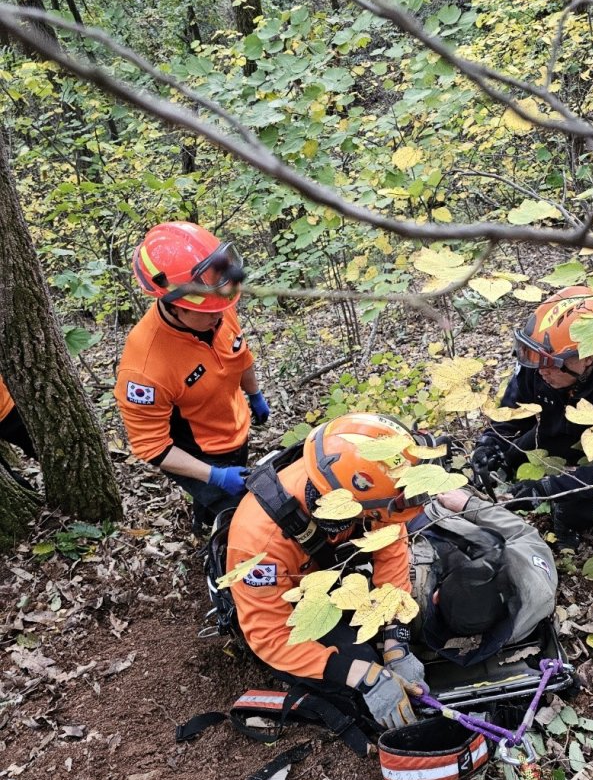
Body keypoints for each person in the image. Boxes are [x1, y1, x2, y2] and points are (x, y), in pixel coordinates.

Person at [226, 413, 431, 732]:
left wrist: (396, 639)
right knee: (356, 680)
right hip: (285, 603)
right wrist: (362, 675)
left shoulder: (363, 490)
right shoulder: (256, 544)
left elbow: (391, 547)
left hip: (331, 569)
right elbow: (270, 635)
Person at [471, 286, 593, 548]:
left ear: (587, 357)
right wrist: (489, 444)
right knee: (509, 456)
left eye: (548, 363)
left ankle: (571, 519)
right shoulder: (541, 363)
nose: (540, 372)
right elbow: (514, 411)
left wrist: (547, 489)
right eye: (534, 359)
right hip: (557, 426)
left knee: (584, 500)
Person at [114, 222, 270, 532]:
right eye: (211, 313)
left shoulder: (215, 304)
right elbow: (152, 448)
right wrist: (213, 476)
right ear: (175, 306)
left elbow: (240, 352)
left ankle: (203, 517)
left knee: (224, 500)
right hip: (196, 451)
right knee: (247, 521)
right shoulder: (145, 368)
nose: (221, 316)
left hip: (232, 426)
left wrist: (253, 394)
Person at [408, 487, 557, 664]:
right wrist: (469, 505)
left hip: (416, 524)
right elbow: (524, 533)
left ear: (435, 597)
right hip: (447, 517)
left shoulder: (407, 607)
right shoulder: (537, 587)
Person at [0, 373, 37, 489]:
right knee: (7, 479)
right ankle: (34, 503)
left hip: (9, 410)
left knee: (38, 449)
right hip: (8, 409)